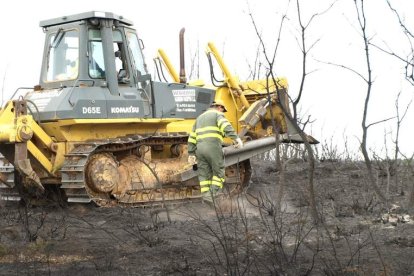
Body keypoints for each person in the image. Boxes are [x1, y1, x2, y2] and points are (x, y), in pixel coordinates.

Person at [187, 100, 243, 204]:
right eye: (223, 109)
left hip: (200, 149)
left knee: (204, 175)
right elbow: (226, 127)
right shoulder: (217, 115)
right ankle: (212, 195)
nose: (223, 112)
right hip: (213, 147)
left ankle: (206, 196)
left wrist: (191, 154)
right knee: (219, 172)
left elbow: (192, 137)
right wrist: (236, 139)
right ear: (219, 107)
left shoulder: (199, 118)